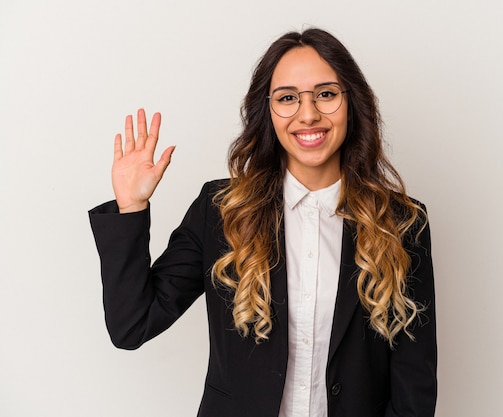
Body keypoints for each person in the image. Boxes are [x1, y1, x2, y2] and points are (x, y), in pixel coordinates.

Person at [89, 28, 437, 417]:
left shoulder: (402, 222)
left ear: (351, 103)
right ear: (267, 110)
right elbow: (132, 325)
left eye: (326, 94)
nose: (308, 114)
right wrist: (131, 206)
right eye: (288, 98)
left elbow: (414, 381)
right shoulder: (221, 210)